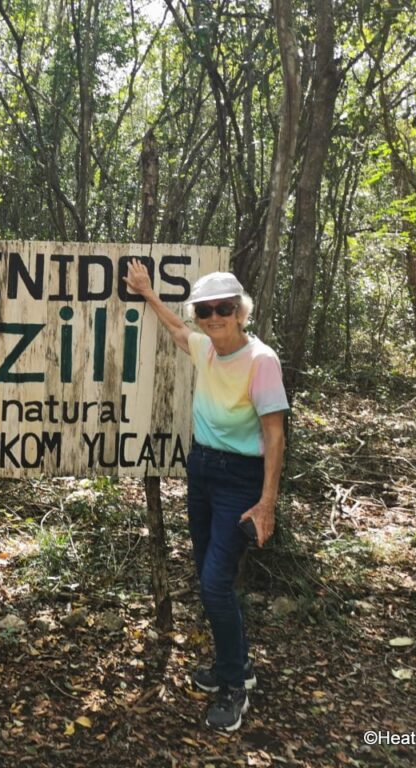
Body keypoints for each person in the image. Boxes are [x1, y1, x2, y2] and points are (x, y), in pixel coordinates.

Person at [124, 261, 288, 733]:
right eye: (206, 309)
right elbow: (177, 330)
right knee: (209, 577)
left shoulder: (261, 361)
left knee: (215, 584)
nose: (213, 316)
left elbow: (274, 436)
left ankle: (234, 687)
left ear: (240, 312)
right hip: (201, 470)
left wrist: (266, 503)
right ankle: (235, 665)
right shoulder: (207, 350)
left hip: (240, 478)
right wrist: (148, 293)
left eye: (223, 308)